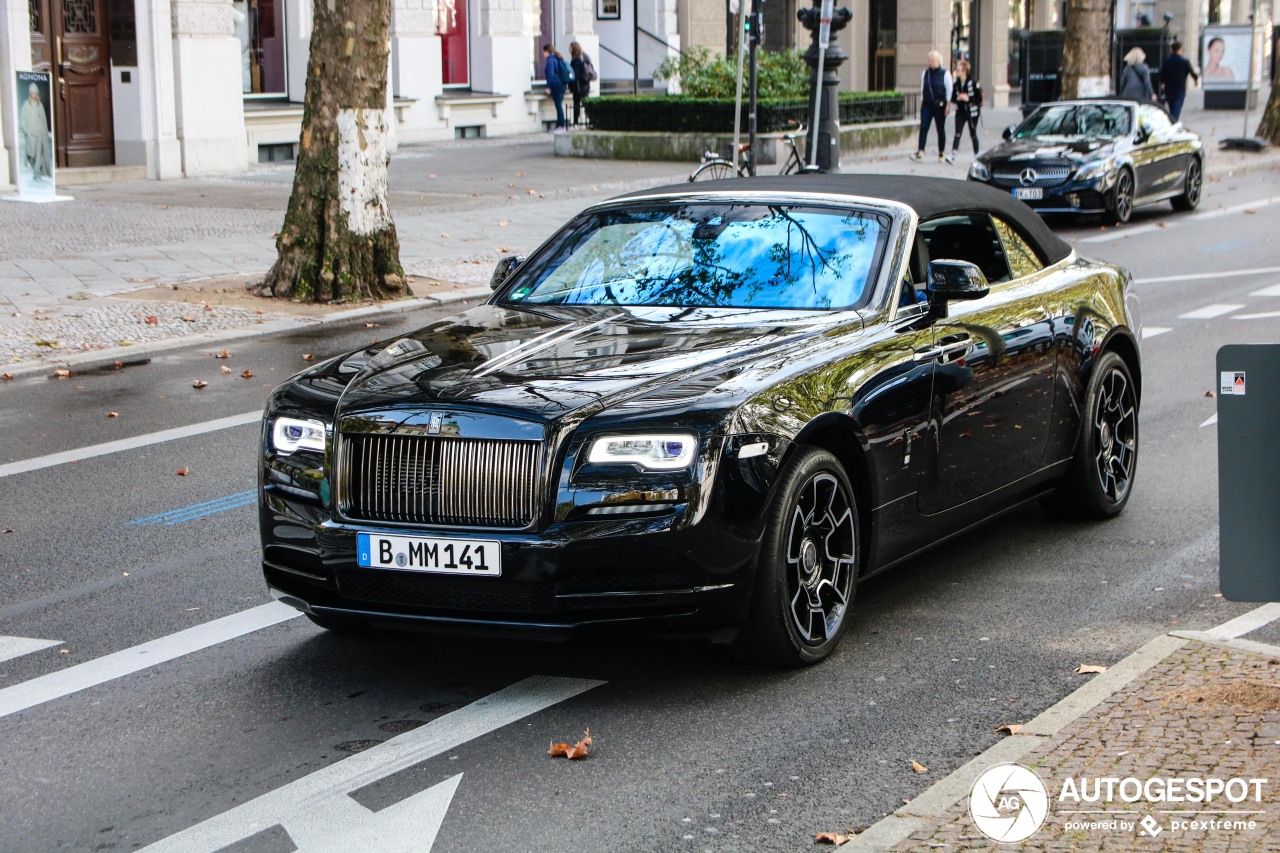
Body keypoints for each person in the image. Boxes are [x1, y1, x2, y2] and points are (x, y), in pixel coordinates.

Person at [911, 50, 952, 162]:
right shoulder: (926, 73)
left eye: (932, 60)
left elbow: (949, 89)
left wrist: (948, 105)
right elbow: (922, 88)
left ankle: (941, 152)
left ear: (938, 61)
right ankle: (920, 151)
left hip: (940, 105)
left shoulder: (945, 73)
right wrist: (922, 100)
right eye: (929, 60)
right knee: (924, 127)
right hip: (927, 104)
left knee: (940, 129)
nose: (930, 62)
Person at [947, 59, 982, 162]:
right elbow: (953, 98)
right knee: (957, 132)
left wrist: (968, 99)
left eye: (958, 70)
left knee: (973, 132)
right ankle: (953, 154)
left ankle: (976, 154)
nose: (956, 72)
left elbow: (979, 99)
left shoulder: (973, 83)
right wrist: (958, 98)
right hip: (961, 111)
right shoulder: (956, 85)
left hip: (972, 112)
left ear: (964, 72)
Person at [19, 83, 52, 182]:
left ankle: (37, 174)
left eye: (35, 93)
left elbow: (43, 121)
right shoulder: (26, 105)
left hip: (39, 134)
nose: (34, 94)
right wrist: (26, 130)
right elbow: (23, 120)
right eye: (32, 93)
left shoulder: (40, 105)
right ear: (30, 93)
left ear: (37, 94)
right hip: (30, 134)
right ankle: (35, 170)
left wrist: (45, 133)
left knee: (38, 155)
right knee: (30, 156)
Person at [1159, 41, 1199, 121]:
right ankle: (1173, 122)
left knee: (1172, 108)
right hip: (1180, 90)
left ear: (1172, 50)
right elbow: (1192, 73)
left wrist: (1163, 84)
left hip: (1169, 89)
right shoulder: (1185, 62)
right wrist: (1196, 80)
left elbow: (1162, 75)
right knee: (1176, 109)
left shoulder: (1166, 61)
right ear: (1180, 49)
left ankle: (1172, 121)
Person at [542, 45, 568, 133]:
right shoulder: (558, 58)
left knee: (558, 106)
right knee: (559, 105)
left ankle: (561, 126)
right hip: (562, 85)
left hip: (556, 85)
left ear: (546, 51)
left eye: (543, 52)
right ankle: (559, 125)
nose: (543, 54)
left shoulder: (550, 61)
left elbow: (550, 75)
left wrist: (548, 87)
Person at [568, 42, 593, 128]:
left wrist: (571, 84)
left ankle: (576, 123)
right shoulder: (585, 57)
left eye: (570, 48)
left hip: (578, 85)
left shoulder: (575, 60)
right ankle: (590, 120)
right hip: (586, 84)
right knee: (585, 103)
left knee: (576, 104)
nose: (569, 50)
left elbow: (576, 75)